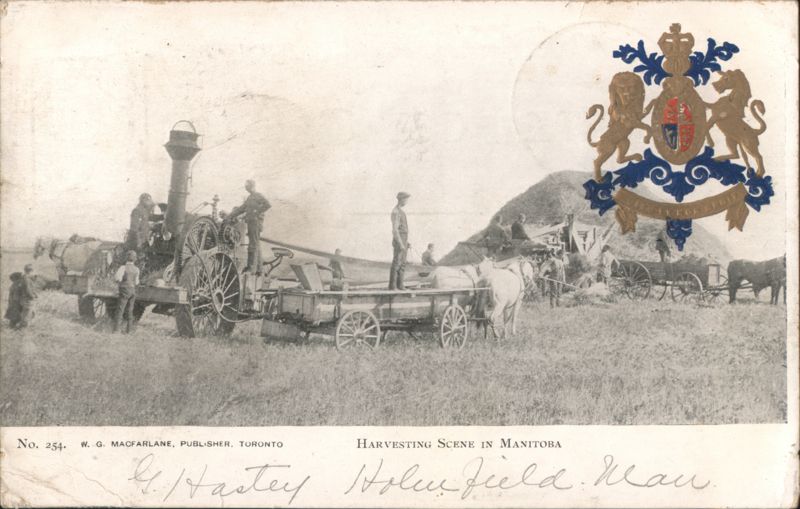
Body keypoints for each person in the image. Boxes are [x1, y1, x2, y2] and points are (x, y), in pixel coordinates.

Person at [229, 180, 271, 274]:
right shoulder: (250, 198)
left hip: (256, 223)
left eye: (248, 187)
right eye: (246, 187)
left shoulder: (258, 195)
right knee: (256, 244)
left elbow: (268, 205)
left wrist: (257, 212)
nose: (247, 189)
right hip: (251, 223)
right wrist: (231, 215)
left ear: (252, 186)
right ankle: (259, 269)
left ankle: (250, 268)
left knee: (253, 245)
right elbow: (241, 208)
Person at [114, 250, 140, 334]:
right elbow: (136, 282)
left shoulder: (123, 268)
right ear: (135, 259)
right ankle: (129, 331)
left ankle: (116, 330)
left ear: (126, 258)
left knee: (120, 310)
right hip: (132, 291)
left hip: (124, 290)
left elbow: (117, 278)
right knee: (130, 311)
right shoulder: (136, 269)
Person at [390, 191, 411, 290]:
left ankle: (400, 285)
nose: (407, 201)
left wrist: (406, 242)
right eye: (406, 199)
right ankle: (393, 286)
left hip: (404, 240)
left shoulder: (402, 212)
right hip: (400, 241)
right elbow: (395, 230)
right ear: (401, 199)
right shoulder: (396, 212)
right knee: (397, 263)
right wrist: (401, 243)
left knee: (403, 263)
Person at [16, 264, 38, 329]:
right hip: (27, 299)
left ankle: (25, 326)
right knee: (27, 313)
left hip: (24, 298)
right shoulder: (26, 279)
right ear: (30, 271)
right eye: (32, 271)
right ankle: (23, 328)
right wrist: (33, 296)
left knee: (29, 312)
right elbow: (28, 289)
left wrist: (35, 294)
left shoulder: (24, 278)